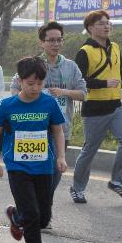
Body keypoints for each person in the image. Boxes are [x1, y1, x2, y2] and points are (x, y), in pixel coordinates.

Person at [0, 57, 67, 243]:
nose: (35, 88)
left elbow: (57, 131)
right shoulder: (8, 106)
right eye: (30, 83)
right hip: (18, 167)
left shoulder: (49, 103)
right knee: (33, 217)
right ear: (20, 81)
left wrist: (61, 157)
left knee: (42, 218)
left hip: (44, 167)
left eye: (39, 84)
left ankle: (16, 216)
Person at [12, 21, 87, 200]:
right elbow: (14, 89)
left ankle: (39, 209)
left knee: (55, 172)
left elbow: (84, 94)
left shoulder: (70, 66)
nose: (55, 44)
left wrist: (63, 92)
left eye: (59, 40)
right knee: (35, 175)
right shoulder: (32, 65)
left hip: (61, 129)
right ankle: (33, 211)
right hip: (35, 130)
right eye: (51, 40)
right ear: (42, 42)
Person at [70, 9, 122, 204]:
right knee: (90, 150)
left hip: (115, 107)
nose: (106, 26)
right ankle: (77, 188)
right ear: (90, 28)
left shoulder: (115, 47)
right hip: (94, 110)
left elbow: (119, 70)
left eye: (108, 23)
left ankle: (116, 180)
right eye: (101, 23)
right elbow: (80, 81)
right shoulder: (85, 52)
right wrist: (103, 83)